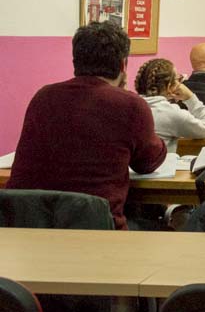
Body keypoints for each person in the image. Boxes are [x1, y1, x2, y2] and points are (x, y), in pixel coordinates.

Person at [9, 22, 166, 230]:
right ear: (122, 65)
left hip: (28, 228)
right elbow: (147, 162)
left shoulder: (43, 96)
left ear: (76, 61)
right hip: (96, 231)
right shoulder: (130, 104)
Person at [135, 58, 205, 152]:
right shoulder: (171, 113)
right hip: (162, 165)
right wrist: (190, 98)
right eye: (178, 79)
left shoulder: (128, 107)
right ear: (169, 86)